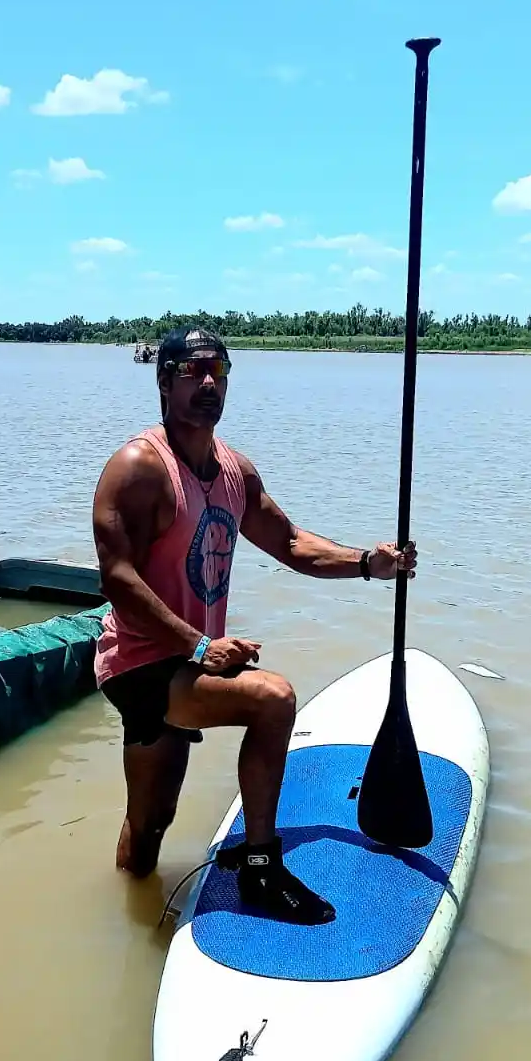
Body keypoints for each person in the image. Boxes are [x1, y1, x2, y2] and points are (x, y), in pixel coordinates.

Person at [92, 325, 417, 925]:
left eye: (220, 369)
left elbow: (291, 543)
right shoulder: (139, 467)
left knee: (147, 830)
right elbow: (117, 578)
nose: (209, 382)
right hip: (141, 664)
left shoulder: (234, 471)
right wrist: (199, 645)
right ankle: (260, 870)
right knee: (273, 699)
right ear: (164, 381)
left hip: (188, 659)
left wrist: (369, 565)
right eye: (193, 370)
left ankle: (128, 913)